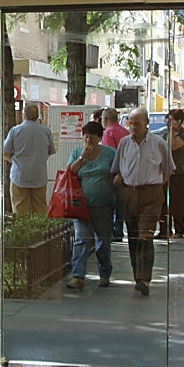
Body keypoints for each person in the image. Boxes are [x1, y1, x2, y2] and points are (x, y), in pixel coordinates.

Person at [111, 107, 173, 296]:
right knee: (133, 237)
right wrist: (120, 179)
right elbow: (117, 168)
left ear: (147, 123)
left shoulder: (159, 143)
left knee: (146, 235)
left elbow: (168, 169)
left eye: (137, 123)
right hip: (129, 193)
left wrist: (155, 188)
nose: (133, 127)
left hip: (151, 194)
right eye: (130, 123)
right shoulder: (124, 143)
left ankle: (145, 278)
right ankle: (137, 276)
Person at [65, 120, 116, 291]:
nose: (89, 141)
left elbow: (117, 171)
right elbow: (70, 171)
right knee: (81, 239)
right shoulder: (77, 153)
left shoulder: (109, 153)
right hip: (82, 205)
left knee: (103, 240)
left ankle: (105, 273)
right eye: (86, 138)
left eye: (92, 138)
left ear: (99, 138)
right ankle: (78, 276)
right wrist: (82, 157)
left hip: (103, 204)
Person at [2, 102, 55, 216]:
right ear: (37, 116)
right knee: (40, 208)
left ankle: (24, 232)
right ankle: (40, 232)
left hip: (19, 175)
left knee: (20, 209)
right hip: (39, 176)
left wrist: (14, 160)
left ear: (23, 115)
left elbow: (5, 153)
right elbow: (51, 151)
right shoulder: (46, 131)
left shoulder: (15, 131)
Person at [101, 108, 130, 241]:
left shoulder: (108, 132)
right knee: (121, 203)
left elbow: (109, 156)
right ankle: (119, 228)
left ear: (105, 119)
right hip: (127, 172)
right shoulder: (125, 131)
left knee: (112, 202)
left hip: (115, 173)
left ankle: (114, 230)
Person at [164, 109, 184, 238]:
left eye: (172, 120)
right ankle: (165, 229)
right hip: (167, 172)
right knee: (164, 202)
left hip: (179, 171)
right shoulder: (165, 133)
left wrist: (172, 132)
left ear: (179, 121)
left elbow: (173, 146)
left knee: (177, 201)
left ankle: (179, 229)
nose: (169, 123)